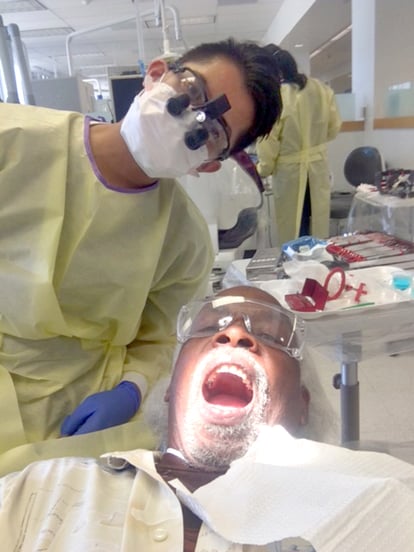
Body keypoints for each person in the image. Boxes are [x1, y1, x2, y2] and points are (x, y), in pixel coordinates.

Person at [0, 39, 283, 463]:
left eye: (211, 133)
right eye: (192, 91)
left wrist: (131, 389)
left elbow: (162, 338)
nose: (187, 120)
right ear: (155, 74)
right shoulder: (13, 140)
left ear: (208, 164)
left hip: (81, 403)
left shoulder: (183, 240)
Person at [1, 286, 413, 552]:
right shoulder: (40, 488)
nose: (235, 334)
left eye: (269, 336)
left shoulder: (370, 509)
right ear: (169, 389)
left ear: (302, 405)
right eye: (210, 327)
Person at [256, 45, 342, 246]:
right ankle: (318, 262)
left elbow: (269, 141)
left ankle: (295, 263)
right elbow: (333, 128)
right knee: (317, 226)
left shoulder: (277, 96)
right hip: (317, 168)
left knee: (293, 228)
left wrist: (262, 169)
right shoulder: (321, 89)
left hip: (290, 173)